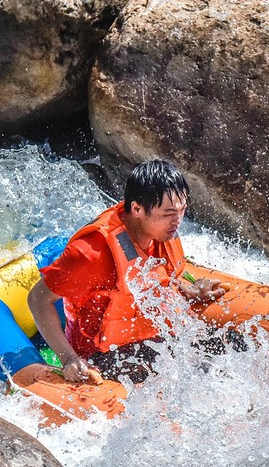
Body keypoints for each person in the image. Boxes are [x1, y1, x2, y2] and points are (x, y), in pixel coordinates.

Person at [27, 159, 226, 384]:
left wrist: (189, 291)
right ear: (137, 209)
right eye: (168, 213)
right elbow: (38, 299)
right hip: (101, 354)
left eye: (182, 210)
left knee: (227, 342)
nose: (178, 221)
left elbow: (155, 278)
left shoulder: (161, 233)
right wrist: (69, 358)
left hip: (148, 339)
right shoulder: (91, 253)